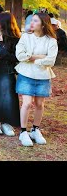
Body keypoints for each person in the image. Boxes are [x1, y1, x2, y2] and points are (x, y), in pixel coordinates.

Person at [15, 13, 58, 147]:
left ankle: (35, 129)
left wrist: (32, 58)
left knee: (40, 104)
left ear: (43, 24)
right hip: (26, 74)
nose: (31, 23)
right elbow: (20, 56)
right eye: (30, 21)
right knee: (27, 103)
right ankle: (23, 131)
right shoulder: (25, 37)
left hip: (43, 76)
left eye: (35, 21)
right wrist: (40, 57)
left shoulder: (51, 41)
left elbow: (50, 60)